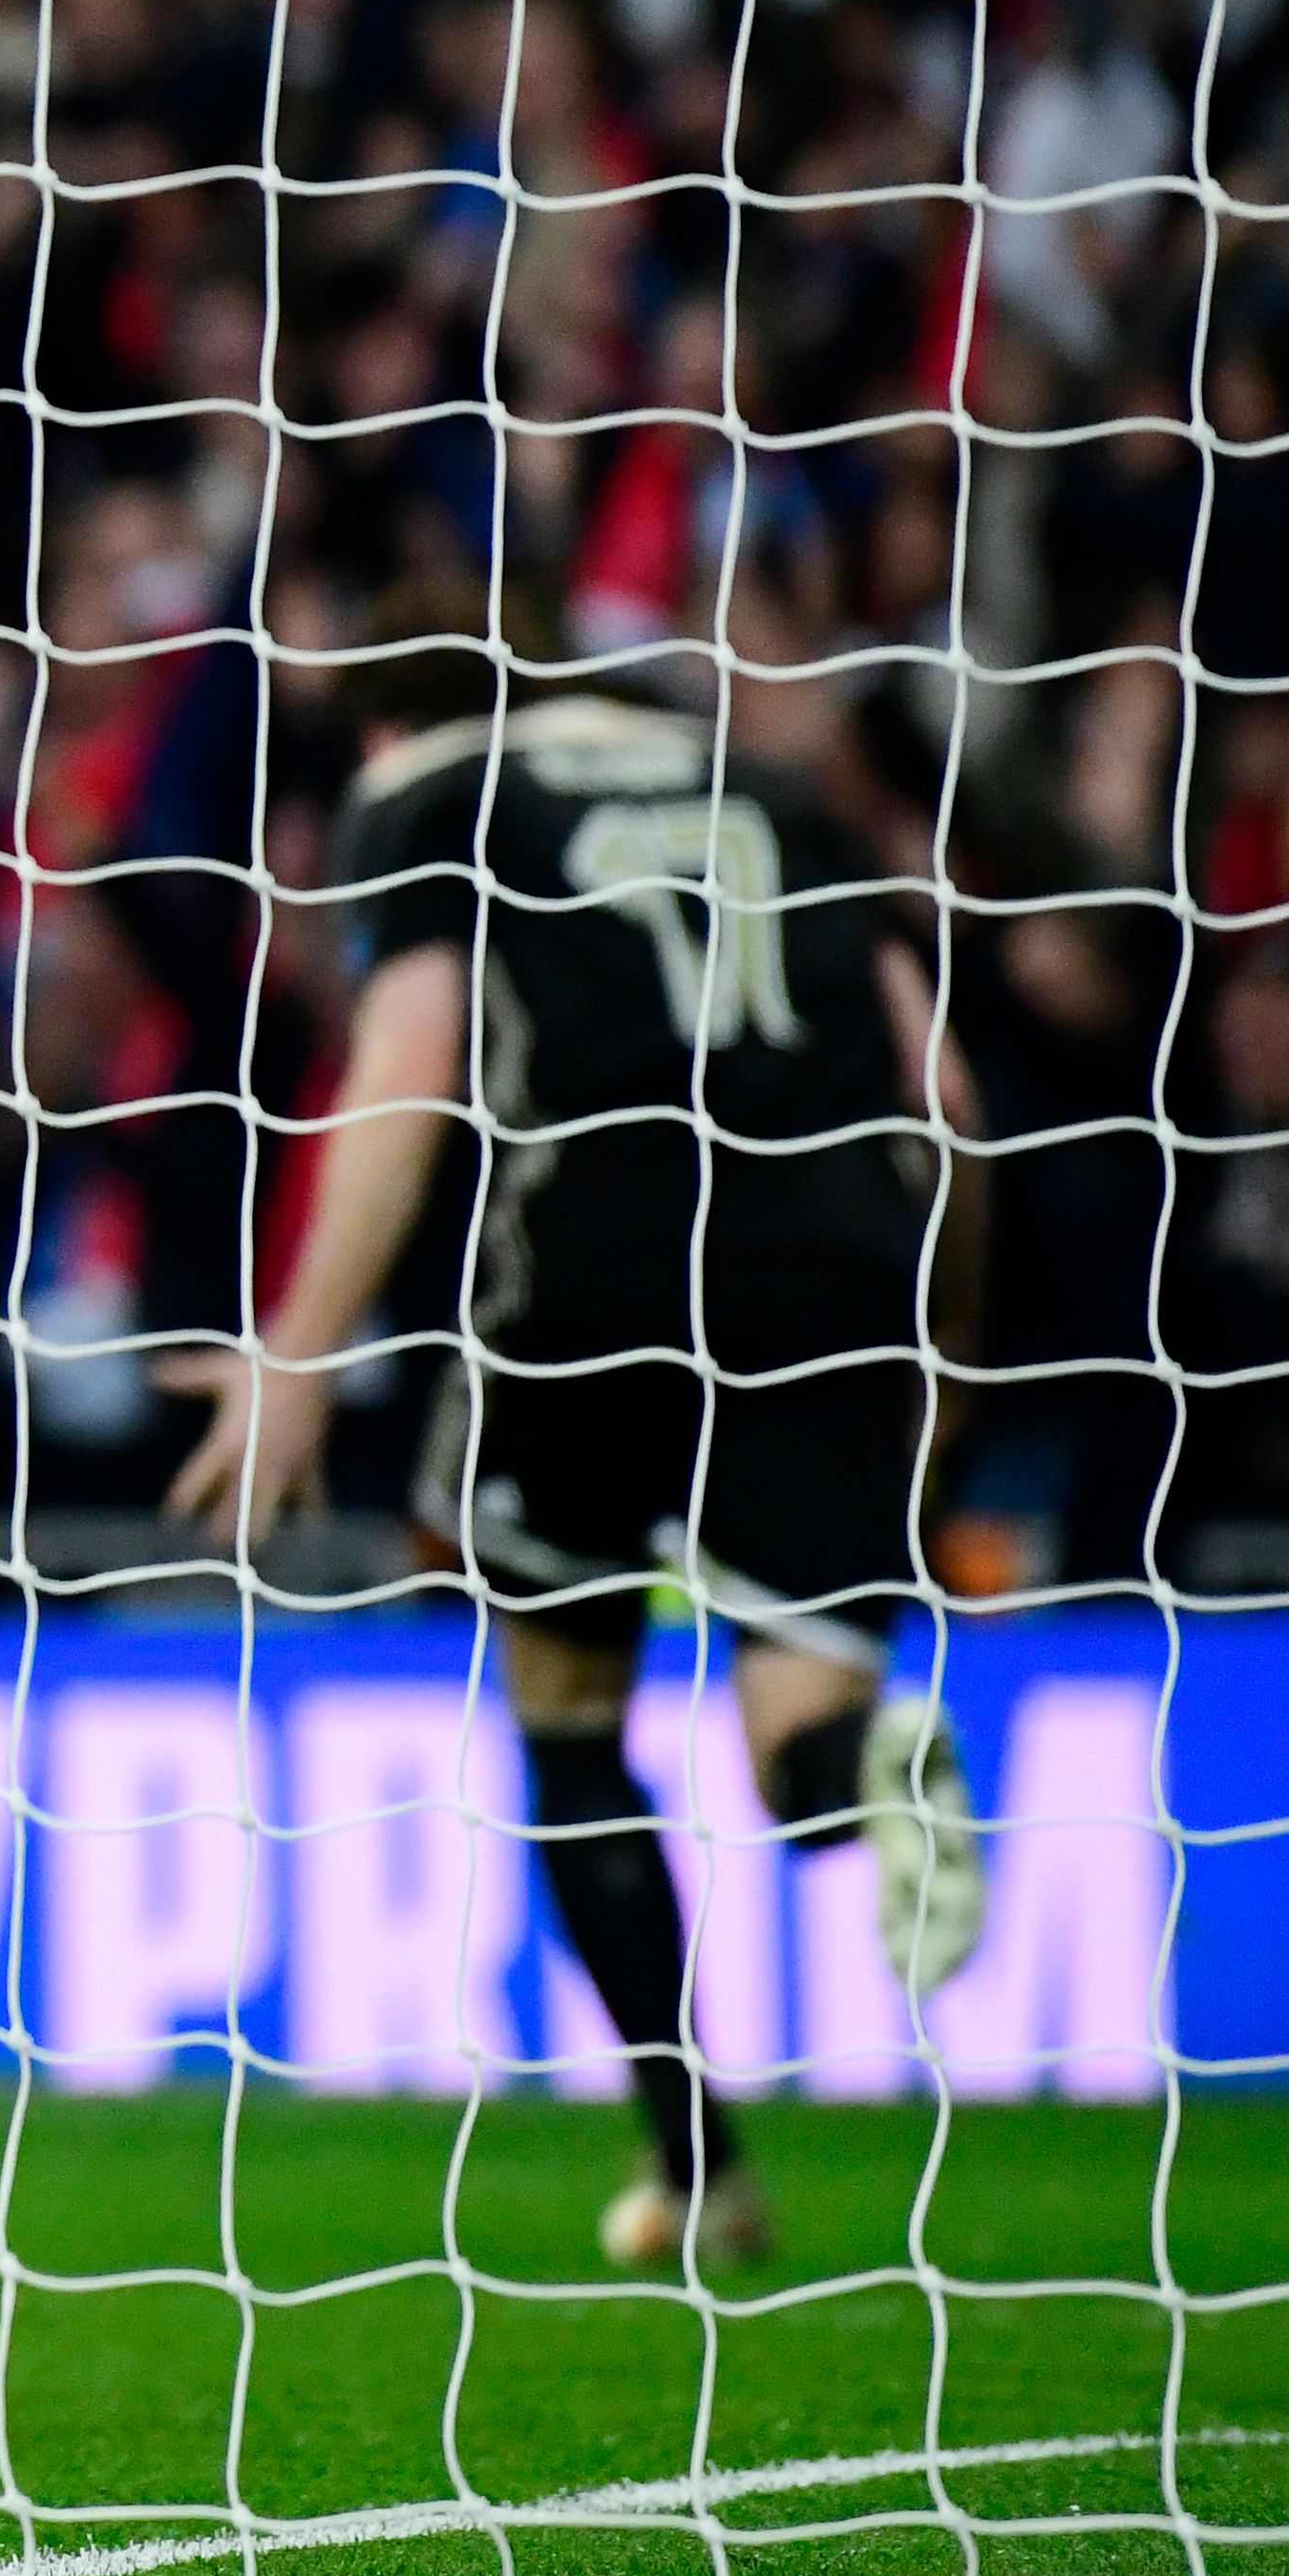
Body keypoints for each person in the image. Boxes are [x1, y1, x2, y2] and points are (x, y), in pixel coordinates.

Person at [167, 688, 991, 2269]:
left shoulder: (427, 795)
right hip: (827, 1274)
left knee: (566, 1715)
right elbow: (947, 1101)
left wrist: (298, 1350)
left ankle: (698, 2166)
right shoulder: (774, 786)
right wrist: (941, 1347)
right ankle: (872, 1773)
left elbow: (406, 1078)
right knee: (794, 1740)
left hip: (591, 1283)